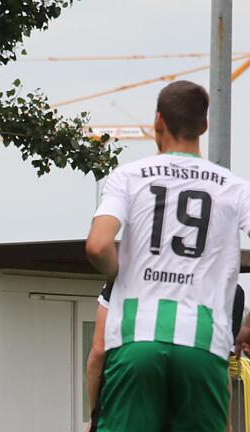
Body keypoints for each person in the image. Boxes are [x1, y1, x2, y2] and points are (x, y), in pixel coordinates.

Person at [85, 80, 250, 432]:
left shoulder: (128, 177)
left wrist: (118, 272)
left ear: (158, 122)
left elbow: (98, 245)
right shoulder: (234, 188)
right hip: (203, 343)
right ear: (204, 126)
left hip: (137, 338)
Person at [85, 283, 245, 432]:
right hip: (194, 404)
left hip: (129, 396)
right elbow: (219, 368)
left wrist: (94, 415)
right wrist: (226, 423)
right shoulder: (228, 289)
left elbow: (99, 350)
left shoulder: (127, 271)